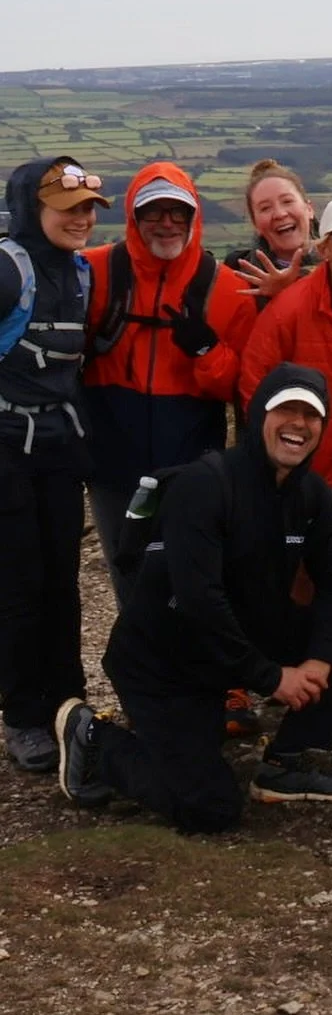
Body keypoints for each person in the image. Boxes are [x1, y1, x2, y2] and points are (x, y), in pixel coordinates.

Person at [54, 365, 332, 832]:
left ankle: (288, 762)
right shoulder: (205, 485)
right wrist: (271, 678)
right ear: (256, 415)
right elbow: (198, 600)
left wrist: (321, 660)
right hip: (165, 662)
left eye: (311, 415)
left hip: (234, 642)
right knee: (209, 808)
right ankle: (94, 740)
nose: (298, 424)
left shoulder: (310, 494)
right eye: (285, 408)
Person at [82, 162, 259, 603]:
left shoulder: (227, 291)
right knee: (128, 570)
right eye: (152, 212)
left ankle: (191, 664)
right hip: (111, 461)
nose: (165, 224)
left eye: (177, 213)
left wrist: (205, 352)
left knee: (190, 574)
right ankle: (137, 666)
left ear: (193, 218)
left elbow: (238, 389)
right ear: (132, 218)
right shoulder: (92, 272)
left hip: (191, 460)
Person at [0, 158, 109, 774]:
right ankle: (22, 716)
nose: (83, 219)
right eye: (68, 209)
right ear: (32, 209)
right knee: (18, 587)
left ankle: (68, 706)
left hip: (58, 449)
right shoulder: (8, 269)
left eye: (89, 209)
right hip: (5, 449)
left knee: (62, 584)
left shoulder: (78, 273)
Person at [240, 197, 332, 613]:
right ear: (323, 247)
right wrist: (272, 457)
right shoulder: (289, 308)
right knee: (299, 574)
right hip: (295, 458)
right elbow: (255, 385)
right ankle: (298, 663)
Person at [224, 159, 319, 301]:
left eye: (287, 201)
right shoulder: (237, 277)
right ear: (255, 224)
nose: (280, 214)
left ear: (309, 209)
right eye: (265, 208)